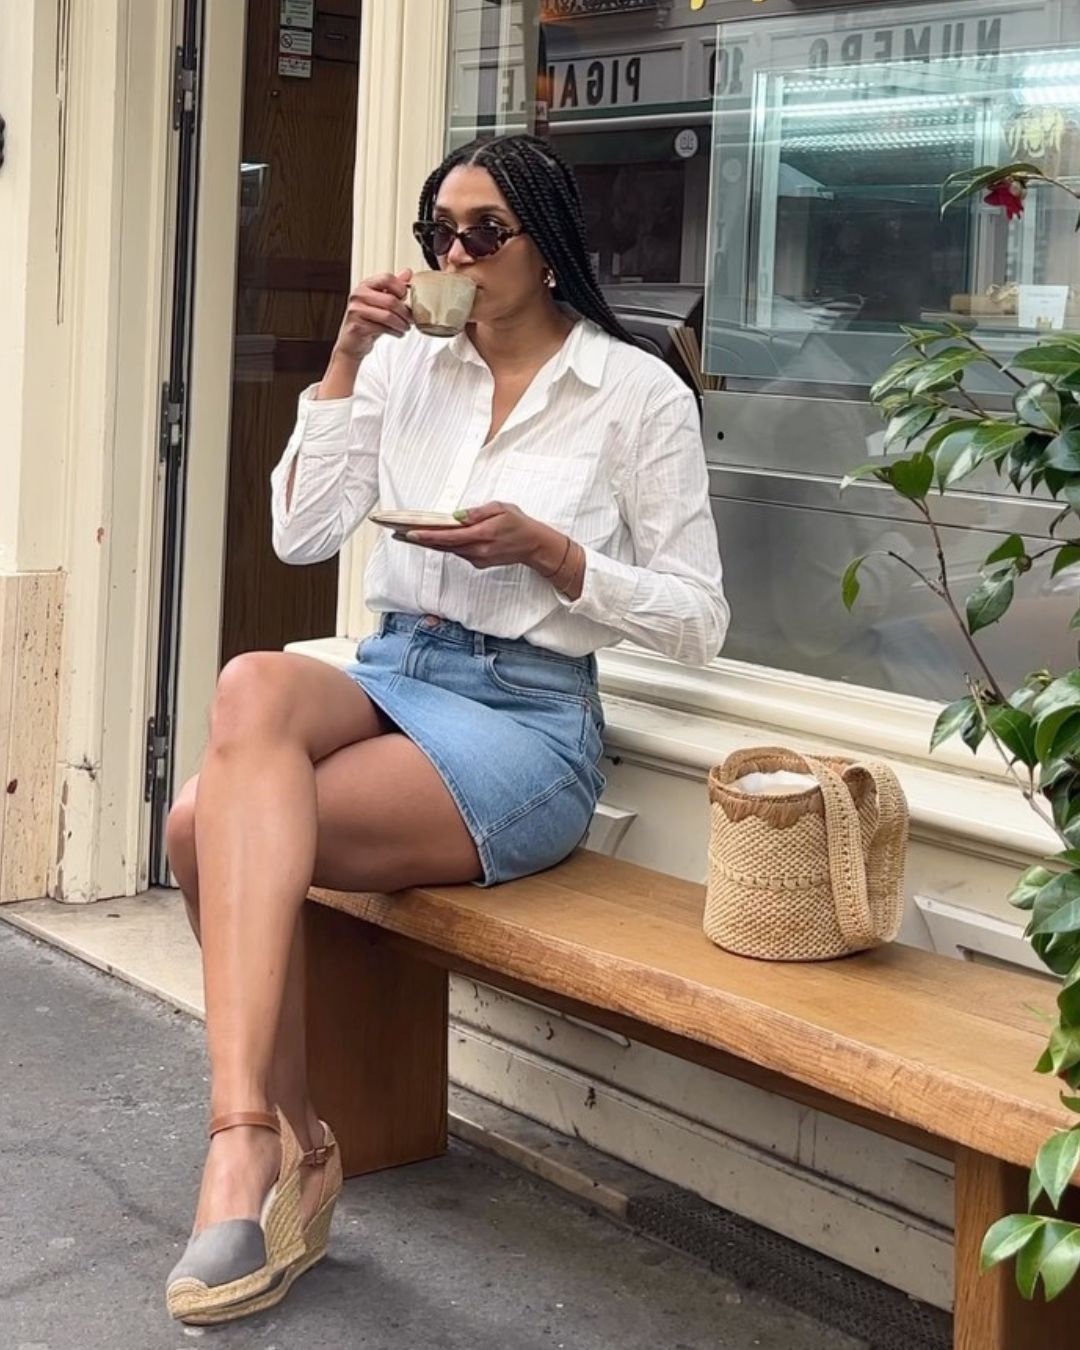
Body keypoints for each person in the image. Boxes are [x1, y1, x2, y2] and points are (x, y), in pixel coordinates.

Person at [163, 133, 728, 1325]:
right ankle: (258, 1136)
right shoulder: (408, 369)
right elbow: (302, 538)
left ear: (550, 249)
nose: (456, 255)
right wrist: (344, 360)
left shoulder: (635, 393)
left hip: (527, 720)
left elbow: (698, 621)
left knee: (199, 826)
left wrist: (558, 555)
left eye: (483, 232)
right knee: (253, 683)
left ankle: (282, 1155)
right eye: (439, 235)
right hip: (398, 667)